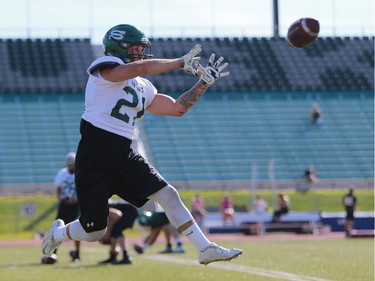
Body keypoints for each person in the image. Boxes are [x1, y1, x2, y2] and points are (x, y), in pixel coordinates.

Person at [42, 24, 242, 265]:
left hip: (124, 153)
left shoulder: (142, 85)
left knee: (168, 194)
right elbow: (142, 67)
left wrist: (203, 83)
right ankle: (58, 233)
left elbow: (176, 108)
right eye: (135, 48)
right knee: (94, 231)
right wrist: (179, 62)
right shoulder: (103, 68)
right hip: (95, 155)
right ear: (119, 48)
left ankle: (205, 248)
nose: (140, 52)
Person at [41, 152, 81, 264]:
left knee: (77, 228)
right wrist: (61, 198)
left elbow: (83, 188)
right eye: (69, 164)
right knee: (57, 228)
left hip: (76, 205)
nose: (71, 166)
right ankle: (53, 254)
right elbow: (58, 189)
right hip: (64, 205)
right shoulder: (62, 173)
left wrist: (77, 199)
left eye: (72, 164)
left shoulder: (80, 172)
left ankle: (77, 254)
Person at [98, 200, 139, 265]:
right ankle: (113, 255)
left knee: (116, 232)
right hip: (126, 211)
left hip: (128, 211)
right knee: (115, 232)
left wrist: (107, 233)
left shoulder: (98, 209)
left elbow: (116, 215)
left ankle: (126, 257)